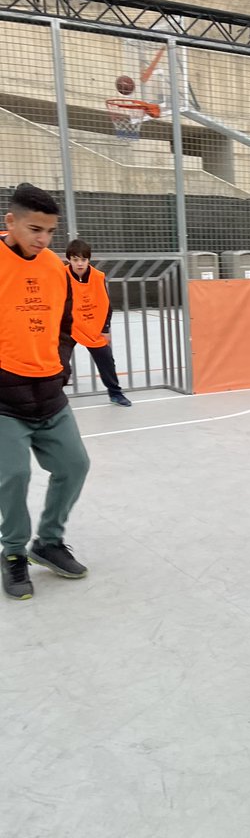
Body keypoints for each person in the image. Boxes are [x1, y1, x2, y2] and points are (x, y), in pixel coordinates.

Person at [0, 183, 91, 601]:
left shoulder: (55, 268)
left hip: (48, 393)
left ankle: (48, 542)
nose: (43, 239)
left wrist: (60, 365)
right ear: (11, 222)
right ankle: (15, 554)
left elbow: (65, 324)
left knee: (75, 465)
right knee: (14, 475)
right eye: (35, 229)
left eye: (51, 231)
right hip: (4, 400)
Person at [64, 239, 131, 406]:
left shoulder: (98, 276)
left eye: (83, 259)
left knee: (106, 358)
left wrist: (105, 328)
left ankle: (115, 393)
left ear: (89, 260)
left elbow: (106, 305)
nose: (80, 263)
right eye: (75, 259)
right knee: (58, 361)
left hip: (92, 326)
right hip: (69, 327)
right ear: (69, 260)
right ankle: (53, 397)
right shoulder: (61, 275)